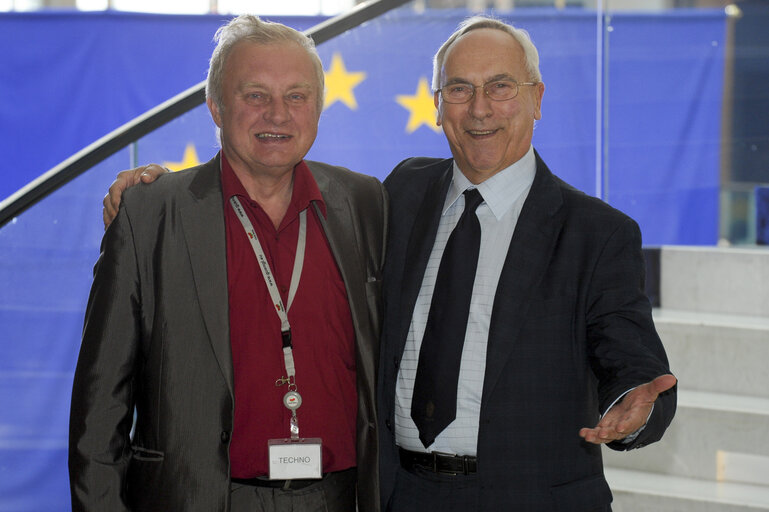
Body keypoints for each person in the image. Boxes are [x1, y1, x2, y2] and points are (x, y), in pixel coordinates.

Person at [103, 14, 676, 512]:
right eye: (458, 89)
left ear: (537, 98)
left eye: (500, 87)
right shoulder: (396, 195)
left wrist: (633, 403)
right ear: (437, 105)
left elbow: (632, 359)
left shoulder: (597, 232)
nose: (479, 109)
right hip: (400, 496)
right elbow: (265, 176)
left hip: (531, 498)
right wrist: (153, 189)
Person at [70, 15, 386, 512]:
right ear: (216, 106)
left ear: (319, 108)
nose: (277, 115)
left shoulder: (364, 204)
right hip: (198, 497)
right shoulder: (151, 215)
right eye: (255, 95)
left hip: (337, 496)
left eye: (297, 96)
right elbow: (99, 407)